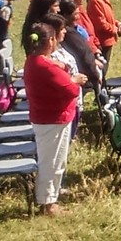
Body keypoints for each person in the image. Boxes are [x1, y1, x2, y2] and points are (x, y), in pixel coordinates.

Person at [22, 20, 84, 216]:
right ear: (50, 41)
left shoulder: (35, 60)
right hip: (52, 119)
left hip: (49, 116)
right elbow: (70, 89)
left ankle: (50, 197)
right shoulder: (44, 66)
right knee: (52, 162)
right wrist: (75, 80)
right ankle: (48, 203)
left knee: (55, 160)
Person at [86, 0, 121, 66]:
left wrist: (117, 23)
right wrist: (115, 29)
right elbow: (100, 24)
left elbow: (108, 17)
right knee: (102, 68)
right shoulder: (95, 1)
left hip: (108, 38)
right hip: (102, 41)